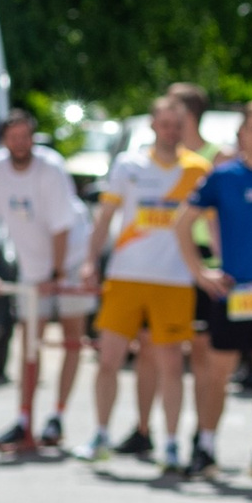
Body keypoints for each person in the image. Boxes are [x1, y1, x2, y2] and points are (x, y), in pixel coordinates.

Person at [85, 91, 208, 473]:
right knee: (109, 359)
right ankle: (101, 434)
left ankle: (170, 443)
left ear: (184, 127)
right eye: (164, 124)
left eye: (177, 125)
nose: (170, 131)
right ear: (153, 125)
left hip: (174, 279)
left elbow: (213, 225)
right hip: (125, 275)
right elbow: (105, 217)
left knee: (171, 365)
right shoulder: (128, 164)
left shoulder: (197, 169)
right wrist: (90, 262)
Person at [0, 107, 93, 455]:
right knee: (29, 343)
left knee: (72, 338)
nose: (20, 144)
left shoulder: (50, 168)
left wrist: (56, 275)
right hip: (34, 267)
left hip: (67, 259)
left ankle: (57, 416)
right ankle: (24, 417)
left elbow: (62, 227)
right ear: (5, 139)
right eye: (14, 137)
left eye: (26, 136)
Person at [190, 98, 252, 478]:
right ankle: (206, 447)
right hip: (232, 293)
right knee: (217, 374)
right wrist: (201, 272)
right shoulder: (223, 176)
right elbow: (184, 223)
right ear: (240, 133)